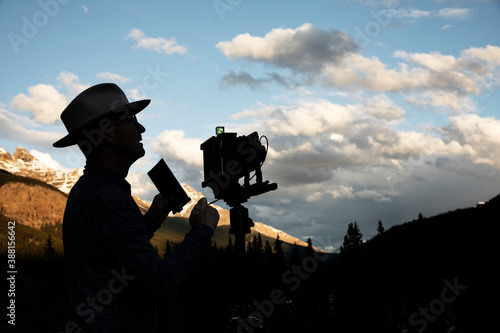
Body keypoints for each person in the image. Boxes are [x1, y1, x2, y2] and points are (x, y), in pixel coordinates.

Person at [53, 83, 219, 332]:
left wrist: (149, 222)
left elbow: (112, 256)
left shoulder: (87, 190)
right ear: (108, 134)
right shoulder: (109, 197)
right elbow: (158, 280)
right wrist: (201, 231)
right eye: (131, 121)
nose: (141, 128)